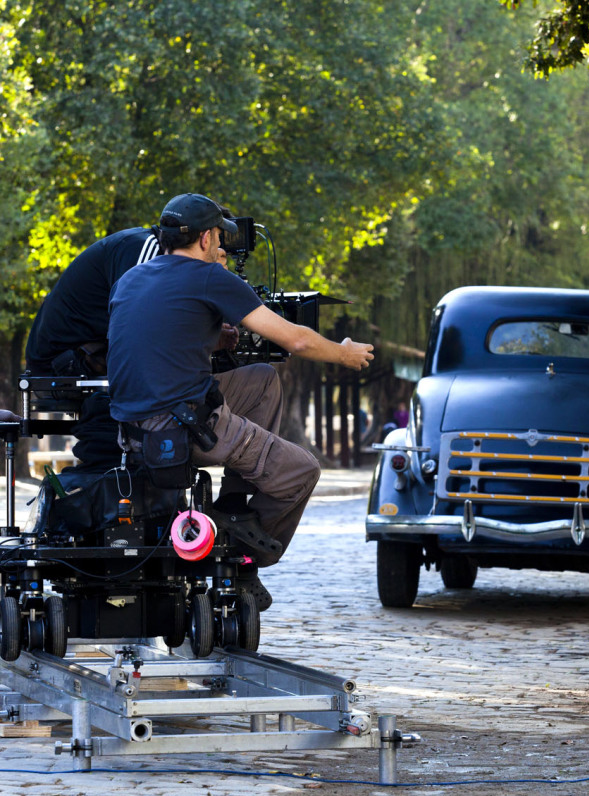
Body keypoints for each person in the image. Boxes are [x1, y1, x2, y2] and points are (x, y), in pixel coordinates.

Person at [106, 193, 374, 608]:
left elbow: (161, 339)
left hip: (132, 432)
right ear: (206, 238)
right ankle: (241, 552)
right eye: (220, 239)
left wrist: (214, 339)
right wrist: (345, 352)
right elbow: (296, 338)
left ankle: (233, 499)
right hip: (189, 425)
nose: (223, 248)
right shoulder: (211, 277)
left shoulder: (131, 279)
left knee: (262, 380)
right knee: (302, 471)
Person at [25, 227, 162, 376]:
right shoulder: (146, 248)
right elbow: (134, 327)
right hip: (63, 365)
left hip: (80, 359)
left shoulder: (144, 244)